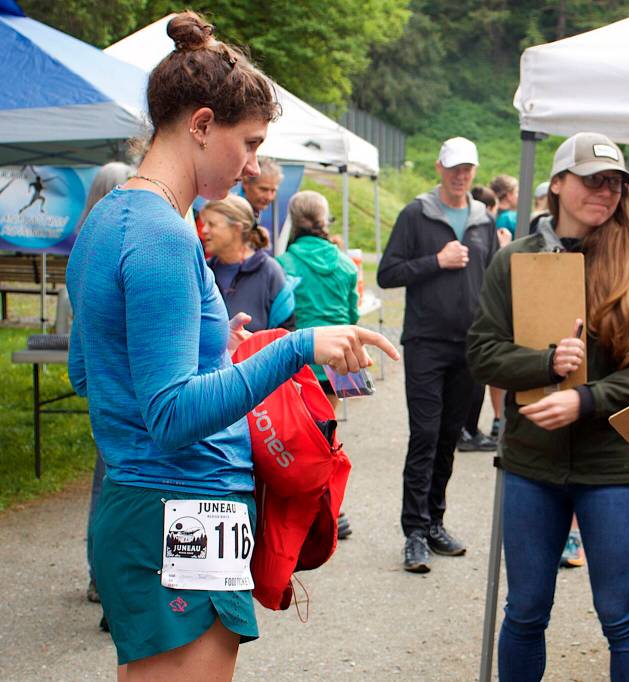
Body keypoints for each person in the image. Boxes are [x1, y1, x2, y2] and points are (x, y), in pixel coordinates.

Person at [65, 12, 398, 679]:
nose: (251, 166)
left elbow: (88, 370)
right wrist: (296, 347)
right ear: (200, 124)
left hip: (157, 504)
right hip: (179, 505)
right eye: (248, 143)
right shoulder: (162, 234)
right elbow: (170, 415)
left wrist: (218, 352)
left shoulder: (113, 216)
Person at [466, 131, 629, 681]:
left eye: (614, 182)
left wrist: (586, 399)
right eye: (592, 179)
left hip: (613, 466)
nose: (605, 191)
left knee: (621, 617)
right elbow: (482, 353)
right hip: (531, 464)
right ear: (558, 184)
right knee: (524, 613)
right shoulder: (515, 260)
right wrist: (544, 365)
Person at [379, 136, 499, 573]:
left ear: (474, 170)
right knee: (425, 436)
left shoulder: (485, 220)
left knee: (450, 438)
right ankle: (413, 531)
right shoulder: (416, 214)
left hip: (469, 345)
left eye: (467, 168)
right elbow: (388, 272)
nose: (460, 175)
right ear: (439, 168)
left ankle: (435, 523)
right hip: (426, 343)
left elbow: (495, 282)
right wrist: (436, 260)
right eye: (453, 168)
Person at [78, 161, 135, 608]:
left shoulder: (85, 249)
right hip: (127, 387)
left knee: (105, 481)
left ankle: (101, 572)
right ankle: (112, 576)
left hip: (102, 385)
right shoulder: (129, 243)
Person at [277, 190, 360, 408]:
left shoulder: (281, 265)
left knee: (301, 430)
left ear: (293, 220)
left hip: (300, 360)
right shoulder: (347, 264)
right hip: (338, 358)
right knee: (328, 427)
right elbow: (353, 315)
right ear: (325, 219)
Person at [202, 194, 295, 332]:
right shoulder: (204, 272)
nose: (204, 230)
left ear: (237, 228)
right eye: (205, 224)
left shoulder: (270, 272)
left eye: (212, 224)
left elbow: (286, 335)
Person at [241, 157, 283, 226]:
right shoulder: (231, 214)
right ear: (245, 183)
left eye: (273, 191)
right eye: (263, 189)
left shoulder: (254, 212)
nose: (269, 197)